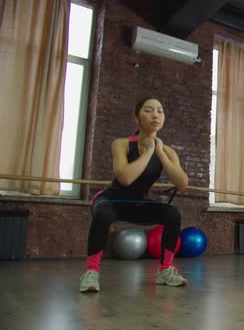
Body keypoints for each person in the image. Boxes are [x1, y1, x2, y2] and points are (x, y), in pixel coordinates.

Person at [79, 96, 189, 293]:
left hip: (139, 204)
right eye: (148, 110)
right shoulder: (121, 144)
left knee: (173, 214)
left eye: (160, 110)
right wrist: (148, 152)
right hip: (111, 201)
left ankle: (165, 272)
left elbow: (182, 183)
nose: (155, 114)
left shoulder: (168, 152)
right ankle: (91, 273)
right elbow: (125, 178)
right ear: (136, 118)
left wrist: (160, 153)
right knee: (103, 213)